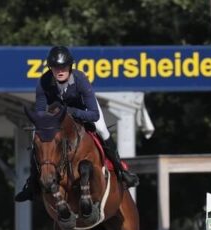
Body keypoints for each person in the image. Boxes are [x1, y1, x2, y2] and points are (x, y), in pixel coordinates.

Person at [15, 46, 139, 202]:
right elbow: (40, 112)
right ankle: (32, 183)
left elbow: (93, 114)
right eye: (55, 68)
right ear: (50, 69)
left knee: (102, 129)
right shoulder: (43, 82)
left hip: (84, 112)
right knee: (38, 138)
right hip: (58, 117)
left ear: (70, 67)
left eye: (63, 67)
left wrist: (70, 112)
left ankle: (121, 171)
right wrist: (45, 124)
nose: (60, 71)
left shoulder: (80, 80)